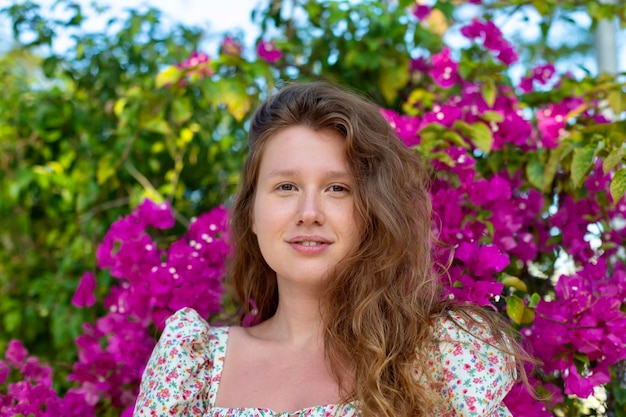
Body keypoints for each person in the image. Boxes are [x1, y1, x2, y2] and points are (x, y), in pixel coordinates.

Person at [133, 81, 530, 417]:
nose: (309, 213)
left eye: (337, 188)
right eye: (285, 187)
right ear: (251, 214)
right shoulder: (192, 364)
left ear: (372, 213)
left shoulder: (437, 360)